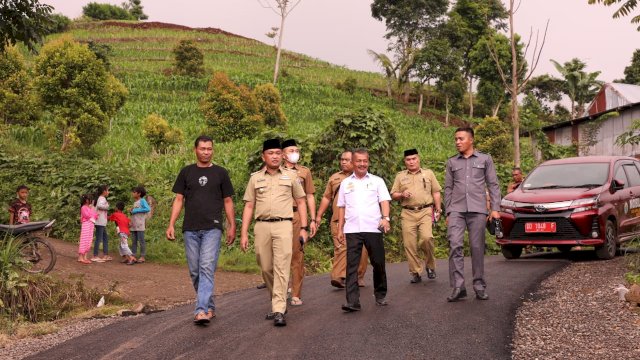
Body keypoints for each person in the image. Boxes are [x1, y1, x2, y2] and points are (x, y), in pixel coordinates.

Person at [166, 135, 236, 325]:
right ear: (195, 150)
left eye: (209, 149)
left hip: (212, 228)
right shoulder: (186, 172)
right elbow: (179, 199)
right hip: (190, 228)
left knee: (206, 267)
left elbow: (228, 201)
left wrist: (232, 225)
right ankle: (209, 305)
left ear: (213, 150)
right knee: (195, 271)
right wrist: (171, 223)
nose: (206, 152)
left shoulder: (221, 173)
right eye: (203, 148)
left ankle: (201, 310)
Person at [240, 139, 308, 327]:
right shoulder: (255, 178)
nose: (275, 156)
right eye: (271, 153)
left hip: (284, 225)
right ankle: (276, 298)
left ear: (282, 156)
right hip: (261, 226)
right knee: (265, 265)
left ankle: (278, 308)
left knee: (282, 265)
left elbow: (301, 201)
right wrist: (244, 233)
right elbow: (249, 205)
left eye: (278, 153)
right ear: (264, 156)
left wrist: (304, 227)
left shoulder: (291, 176)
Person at [444, 127, 501, 302]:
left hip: (478, 210)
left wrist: (495, 209)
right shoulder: (452, 162)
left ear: (471, 140)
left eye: (461, 139)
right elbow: (448, 188)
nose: (457, 142)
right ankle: (458, 287)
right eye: (456, 139)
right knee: (455, 245)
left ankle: (479, 286)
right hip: (456, 210)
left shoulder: (485, 159)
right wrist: (448, 211)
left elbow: (493, 185)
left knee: (477, 248)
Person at [337, 148, 391, 312]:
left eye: (365, 161)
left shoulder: (377, 181)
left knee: (378, 262)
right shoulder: (345, 183)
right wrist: (340, 229)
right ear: (353, 163)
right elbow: (341, 207)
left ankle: (380, 294)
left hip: (373, 227)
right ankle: (353, 301)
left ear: (368, 162)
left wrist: (386, 218)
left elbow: (384, 201)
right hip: (352, 229)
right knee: (351, 266)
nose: (362, 164)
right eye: (358, 161)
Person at [315, 150, 369, 289]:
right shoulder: (334, 178)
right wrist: (319, 215)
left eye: (347, 160)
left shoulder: (363, 178)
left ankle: (358, 276)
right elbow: (327, 197)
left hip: (358, 220)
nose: (344, 162)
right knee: (341, 247)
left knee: (362, 250)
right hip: (338, 220)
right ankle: (339, 276)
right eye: (342, 159)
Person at [390, 149, 443, 284]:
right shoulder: (400, 176)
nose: (411, 162)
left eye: (414, 159)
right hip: (407, 212)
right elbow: (393, 194)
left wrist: (438, 208)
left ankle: (430, 266)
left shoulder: (428, 173)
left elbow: (436, 192)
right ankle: (415, 272)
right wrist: (402, 194)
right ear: (405, 161)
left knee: (427, 238)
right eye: (408, 159)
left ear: (418, 159)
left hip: (425, 210)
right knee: (409, 244)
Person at [281, 139, 317, 306]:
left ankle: (296, 293)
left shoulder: (304, 172)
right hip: (278, 217)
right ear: (283, 154)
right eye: (291, 150)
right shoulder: (274, 171)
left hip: (296, 216)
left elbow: (309, 195)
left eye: (296, 150)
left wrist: (312, 219)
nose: (294, 153)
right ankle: (281, 290)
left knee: (297, 254)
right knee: (280, 255)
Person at [130, 185, 151, 263]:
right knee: (134, 240)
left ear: (139, 193)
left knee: (141, 240)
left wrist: (136, 210)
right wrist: (132, 211)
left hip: (140, 224)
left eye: (134, 192)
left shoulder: (142, 201)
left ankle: (142, 256)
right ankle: (133, 255)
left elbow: (147, 209)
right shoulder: (135, 202)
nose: (133, 193)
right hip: (134, 224)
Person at [92, 185, 112, 262]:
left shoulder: (102, 198)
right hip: (99, 222)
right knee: (99, 238)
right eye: (107, 190)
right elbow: (100, 206)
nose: (108, 192)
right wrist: (107, 206)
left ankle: (105, 255)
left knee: (105, 238)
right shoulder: (101, 198)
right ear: (104, 191)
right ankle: (95, 255)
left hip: (102, 222)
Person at [78, 194, 97, 264]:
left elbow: (95, 215)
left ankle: (85, 256)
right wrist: (92, 212)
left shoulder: (90, 207)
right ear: (86, 200)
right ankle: (80, 257)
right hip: (86, 224)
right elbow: (87, 215)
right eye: (90, 199)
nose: (91, 201)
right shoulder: (83, 207)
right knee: (84, 239)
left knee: (89, 240)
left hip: (91, 224)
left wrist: (92, 211)